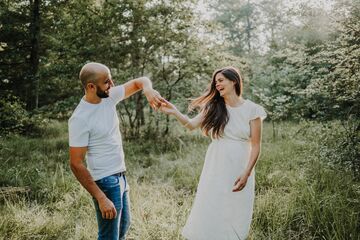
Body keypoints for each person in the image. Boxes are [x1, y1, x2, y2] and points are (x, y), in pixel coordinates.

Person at [159, 66, 267, 240]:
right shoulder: (213, 107)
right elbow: (191, 124)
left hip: (240, 164)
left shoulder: (253, 110)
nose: (217, 84)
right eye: (215, 82)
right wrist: (174, 111)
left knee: (237, 207)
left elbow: (256, 146)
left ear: (234, 81)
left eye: (221, 80)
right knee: (212, 203)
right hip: (216, 162)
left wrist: (247, 173)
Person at [68, 62, 163, 240]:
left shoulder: (108, 96)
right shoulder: (80, 118)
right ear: (90, 86)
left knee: (123, 227)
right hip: (105, 181)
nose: (112, 84)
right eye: (107, 82)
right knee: (109, 236)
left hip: (121, 176)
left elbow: (140, 81)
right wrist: (101, 198)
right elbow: (76, 163)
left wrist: (148, 90)